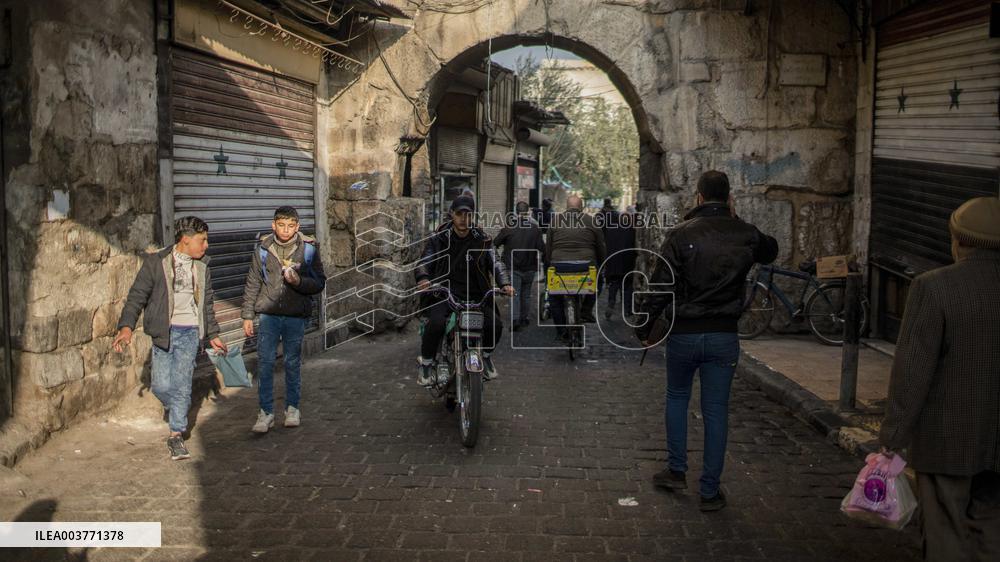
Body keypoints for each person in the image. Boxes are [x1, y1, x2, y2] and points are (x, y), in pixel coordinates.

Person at [635, 170, 778, 511]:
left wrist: (645, 326)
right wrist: (736, 219)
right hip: (724, 335)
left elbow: (660, 287)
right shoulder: (745, 234)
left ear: (698, 197)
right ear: (729, 198)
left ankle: (676, 469)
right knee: (716, 410)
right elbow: (771, 250)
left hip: (684, 334)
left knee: (677, 398)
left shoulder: (679, 235)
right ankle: (710, 491)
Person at [879, 197, 1000, 561]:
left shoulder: (934, 287)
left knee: (945, 529)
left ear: (958, 240)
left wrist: (893, 438)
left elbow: (912, 372)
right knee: (993, 528)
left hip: (948, 439)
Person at [113, 216, 227, 461]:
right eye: (202, 241)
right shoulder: (156, 263)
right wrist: (126, 327)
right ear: (185, 241)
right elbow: (136, 297)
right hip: (163, 333)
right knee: (161, 385)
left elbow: (207, 305)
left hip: (189, 333)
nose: (206, 245)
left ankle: (176, 433)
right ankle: (176, 407)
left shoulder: (203, 265)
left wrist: (213, 335)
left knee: (182, 384)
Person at [242, 206, 326, 434]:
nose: (286, 230)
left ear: (297, 227)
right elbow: (252, 283)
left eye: (290, 226)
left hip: (295, 315)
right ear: (273, 225)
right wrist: (247, 315)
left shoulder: (308, 250)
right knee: (266, 362)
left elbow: (319, 282)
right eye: (281, 225)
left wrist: (298, 281)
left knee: (291, 363)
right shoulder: (263, 249)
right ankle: (266, 412)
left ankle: (292, 408)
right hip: (268, 314)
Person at [415, 196, 513, 385]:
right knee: (435, 323)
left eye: (468, 214)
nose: (463, 218)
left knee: (495, 325)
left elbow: (496, 263)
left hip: (475, 296)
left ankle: (485, 355)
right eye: (459, 213)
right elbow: (425, 260)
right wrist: (424, 278)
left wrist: (505, 283)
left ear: (473, 216)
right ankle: (426, 364)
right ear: (452, 214)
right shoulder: (439, 238)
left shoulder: (483, 240)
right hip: (444, 293)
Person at [545, 195, 607, 338]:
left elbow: (548, 247)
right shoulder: (592, 221)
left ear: (567, 207)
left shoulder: (555, 221)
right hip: (586, 266)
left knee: (554, 297)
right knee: (598, 282)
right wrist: (602, 264)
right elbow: (601, 247)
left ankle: (561, 332)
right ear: (582, 207)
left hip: (559, 266)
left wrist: (550, 262)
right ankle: (586, 310)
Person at [494, 201, 545, 330]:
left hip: (513, 267)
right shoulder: (535, 229)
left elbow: (495, 242)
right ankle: (524, 318)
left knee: (514, 294)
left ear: (516, 212)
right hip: (530, 267)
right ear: (527, 212)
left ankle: (515, 320)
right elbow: (541, 248)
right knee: (526, 294)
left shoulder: (509, 227)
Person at [600, 204, 638, 321]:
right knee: (627, 287)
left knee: (614, 284)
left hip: (613, 263)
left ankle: (611, 302)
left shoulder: (610, 231)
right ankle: (627, 310)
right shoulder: (631, 230)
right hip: (626, 263)